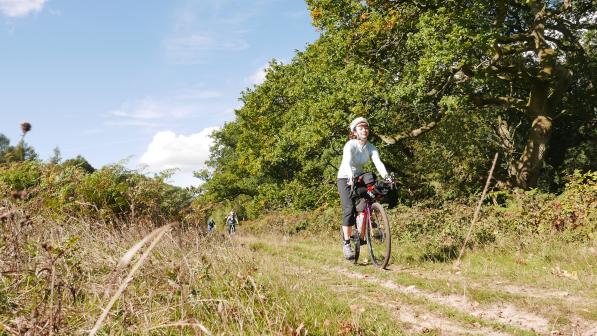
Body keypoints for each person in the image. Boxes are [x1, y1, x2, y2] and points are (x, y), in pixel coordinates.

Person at [337, 117, 389, 260]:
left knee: (369, 196)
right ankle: (346, 244)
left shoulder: (371, 147)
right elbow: (346, 161)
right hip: (345, 177)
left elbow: (378, 163)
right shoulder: (350, 145)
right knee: (348, 209)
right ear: (354, 132)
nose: (364, 130)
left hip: (358, 176)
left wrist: (387, 176)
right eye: (360, 128)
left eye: (366, 128)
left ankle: (364, 228)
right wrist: (349, 176)